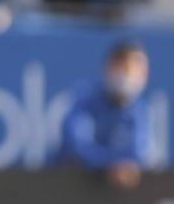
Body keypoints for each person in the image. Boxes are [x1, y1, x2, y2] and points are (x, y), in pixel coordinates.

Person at [60, 41, 151, 189]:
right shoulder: (85, 101)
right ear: (110, 68)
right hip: (69, 186)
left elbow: (137, 152)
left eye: (139, 71)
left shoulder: (139, 110)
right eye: (126, 69)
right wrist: (110, 165)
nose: (131, 76)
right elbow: (76, 145)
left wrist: (121, 167)